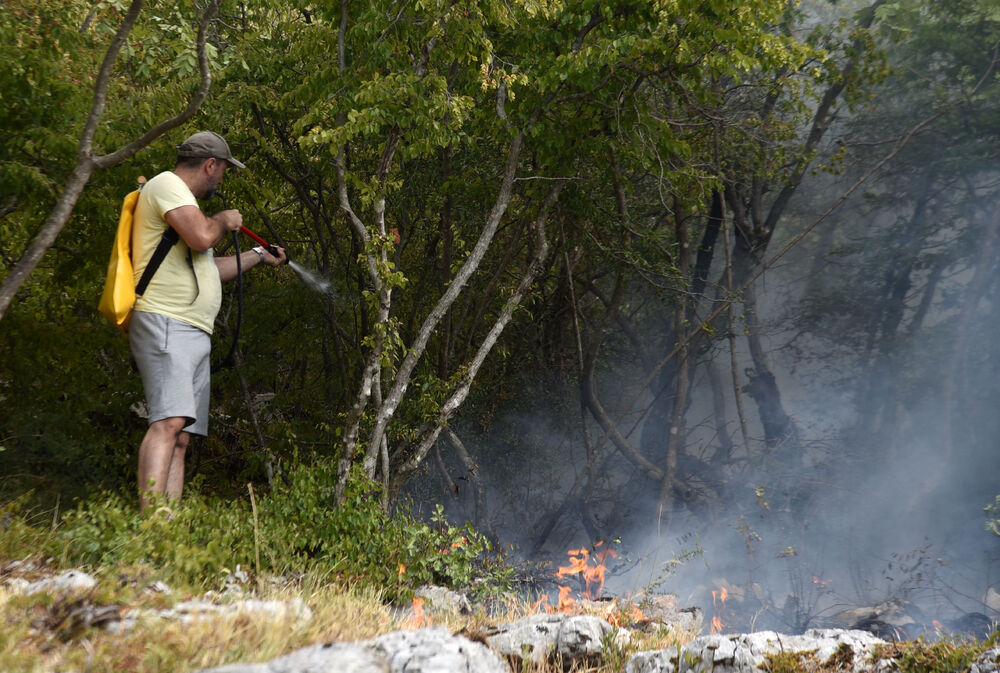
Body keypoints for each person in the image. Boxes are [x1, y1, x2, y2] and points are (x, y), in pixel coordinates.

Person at [129, 130, 286, 511]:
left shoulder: (185, 207)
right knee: (167, 423)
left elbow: (208, 265)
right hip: (166, 321)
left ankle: (169, 528)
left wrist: (258, 255)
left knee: (180, 434)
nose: (221, 179)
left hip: (192, 331)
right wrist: (221, 220)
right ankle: (150, 530)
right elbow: (202, 237)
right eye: (223, 171)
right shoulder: (167, 186)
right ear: (211, 165)